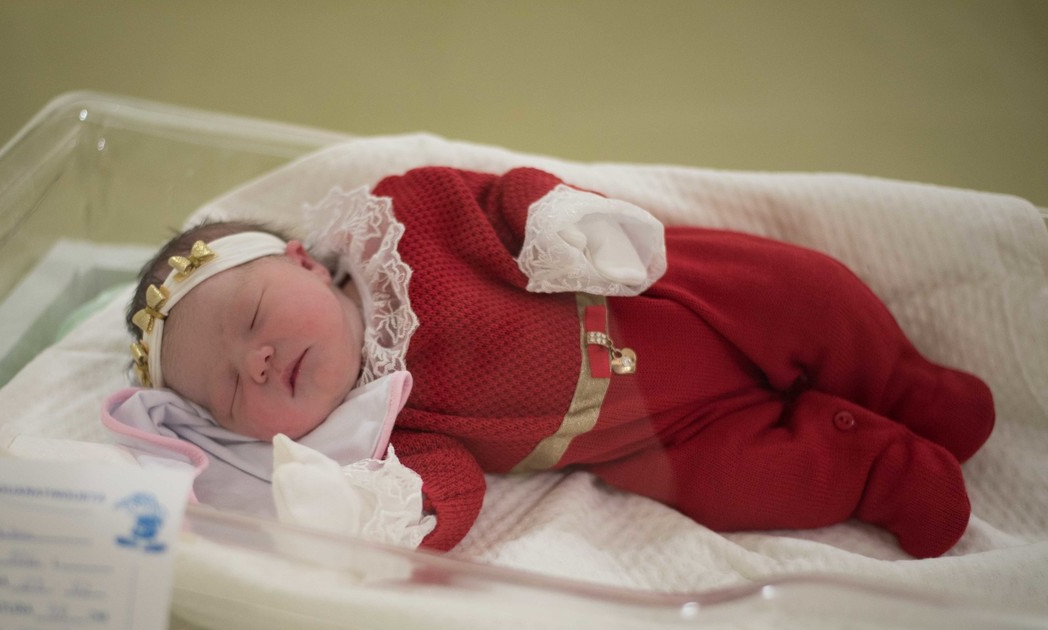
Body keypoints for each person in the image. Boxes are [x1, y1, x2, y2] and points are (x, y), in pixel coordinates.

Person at [124, 166, 995, 558]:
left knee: (805, 293)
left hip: (655, 301)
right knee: (743, 486)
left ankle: (901, 381)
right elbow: (450, 489)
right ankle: (874, 467)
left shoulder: (404, 220)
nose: (261, 357)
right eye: (235, 385)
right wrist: (375, 516)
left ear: (305, 261)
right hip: (647, 438)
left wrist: (555, 217)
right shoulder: (378, 433)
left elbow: (499, 199)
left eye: (250, 316)